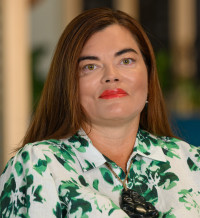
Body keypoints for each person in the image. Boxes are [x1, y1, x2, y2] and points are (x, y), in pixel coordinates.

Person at [0, 8, 200, 218]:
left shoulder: (192, 163)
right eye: (91, 66)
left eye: (126, 61)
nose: (111, 76)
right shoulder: (39, 165)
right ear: (69, 84)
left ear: (149, 76)